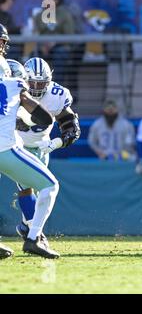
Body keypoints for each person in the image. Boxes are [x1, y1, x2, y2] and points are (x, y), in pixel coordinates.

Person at [11, 57, 80, 245]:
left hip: (42, 147)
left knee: (44, 191)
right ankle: (36, 234)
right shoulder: (14, 90)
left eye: (41, 83)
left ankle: (28, 226)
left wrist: (55, 143)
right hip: (16, 145)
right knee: (25, 186)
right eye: (32, 82)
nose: (35, 87)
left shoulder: (57, 94)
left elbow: (71, 128)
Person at [0, 56, 59, 258]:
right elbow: (44, 118)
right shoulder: (15, 85)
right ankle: (33, 238)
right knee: (50, 186)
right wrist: (21, 120)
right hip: (5, 148)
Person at [33, 0, 76, 85]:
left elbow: (69, 36)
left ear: (59, 0)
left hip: (60, 47)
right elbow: (35, 34)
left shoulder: (65, 14)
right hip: (43, 48)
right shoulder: (39, 15)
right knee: (33, 57)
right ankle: (35, 89)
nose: (50, 0)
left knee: (60, 54)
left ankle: (56, 87)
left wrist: (55, 43)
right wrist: (42, 46)